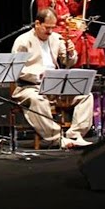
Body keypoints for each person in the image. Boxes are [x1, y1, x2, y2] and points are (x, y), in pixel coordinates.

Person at [11, 9, 94, 148]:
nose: (50, 31)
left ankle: (75, 134)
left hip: (55, 85)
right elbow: (16, 70)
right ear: (37, 23)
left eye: (52, 27)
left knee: (86, 95)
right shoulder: (23, 41)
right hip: (29, 87)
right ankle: (57, 138)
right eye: (47, 27)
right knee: (37, 100)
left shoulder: (56, 38)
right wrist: (38, 75)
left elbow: (68, 62)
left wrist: (71, 53)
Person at [37, 0, 105, 68]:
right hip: (54, 28)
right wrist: (61, 18)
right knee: (79, 39)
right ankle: (73, 66)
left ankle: (88, 69)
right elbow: (42, 16)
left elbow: (75, 10)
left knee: (89, 40)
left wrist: (84, 1)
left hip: (68, 27)